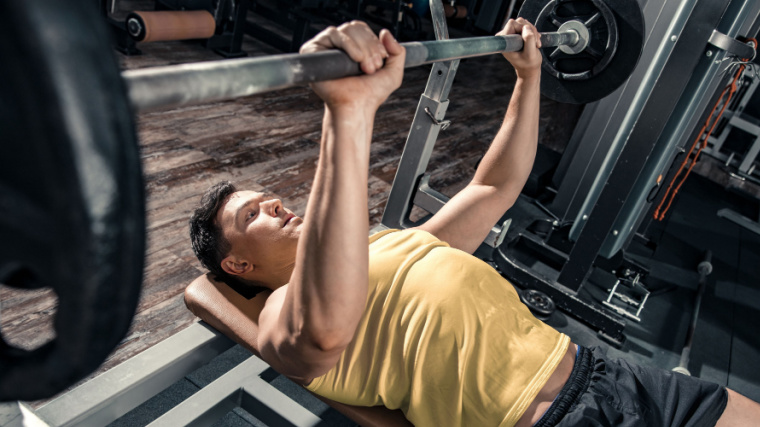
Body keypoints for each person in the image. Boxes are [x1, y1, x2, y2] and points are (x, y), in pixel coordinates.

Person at [185, 19, 760, 426]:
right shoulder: (283, 313)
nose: (277, 206)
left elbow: (493, 187)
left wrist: (529, 77)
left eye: (270, 197)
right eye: (252, 214)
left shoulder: (392, 244)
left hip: (608, 372)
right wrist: (347, 112)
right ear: (237, 263)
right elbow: (321, 337)